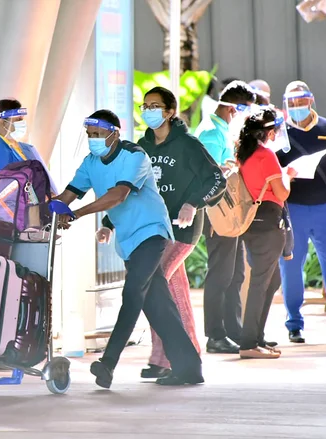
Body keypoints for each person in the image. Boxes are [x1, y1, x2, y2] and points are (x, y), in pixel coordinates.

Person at [57, 109, 203, 388]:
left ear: (114, 133)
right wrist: (48, 208)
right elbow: (66, 196)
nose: (92, 140)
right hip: (129, 242)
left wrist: (76, 214)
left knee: (133, 293)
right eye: (89, 135)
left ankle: (108, 363)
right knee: (159, 307)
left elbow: (118, 195)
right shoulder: (90, 163)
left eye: (97, 134)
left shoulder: (134, 155)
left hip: (152, 232)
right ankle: (190, 369)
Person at [130, 86, 226, 378]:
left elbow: (216, 180)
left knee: (153, 283)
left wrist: (192, 203)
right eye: (145, 106)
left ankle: (176, 357)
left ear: (170, 111)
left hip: (181, 231)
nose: (149, 111)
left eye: (155, 106)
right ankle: (168, 357)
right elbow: (131, 187)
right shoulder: (141, 146)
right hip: (152, 231)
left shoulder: (187, 144)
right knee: (173, 290)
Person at [276, 81, 326, 345]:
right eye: (292, 103)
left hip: (324, 207)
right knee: (290, 267)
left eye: (301, 102)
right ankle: (294, 325)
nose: (297, 107)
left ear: (311, 100)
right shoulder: (280, 132)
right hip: (292, 209)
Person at [195, 80, 256, 354]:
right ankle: (215, 335)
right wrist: (226, 168)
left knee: (236, 274)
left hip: (230, 212)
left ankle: (234, 330)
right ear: (235, 108)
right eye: (244, 110)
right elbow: (205, 173)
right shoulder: (210, 132)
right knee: (221, 274)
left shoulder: (222, 130)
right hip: (217, 213)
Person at [237, 107, 295, 359]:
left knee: (270, 281)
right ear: (269, 132)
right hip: (269, 223)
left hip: (251, 222)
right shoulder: (266, 155)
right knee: (261, 283)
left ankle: (256, 338)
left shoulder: (244, 153)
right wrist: (288, 176)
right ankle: (248, 343)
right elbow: (282, 194)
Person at [0, 98, 54, 202]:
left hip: (29, 212)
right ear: (3, 122)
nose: (23, 123)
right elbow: (0, 188)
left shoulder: (26, 149)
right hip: (3, 214)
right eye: (18, 120)